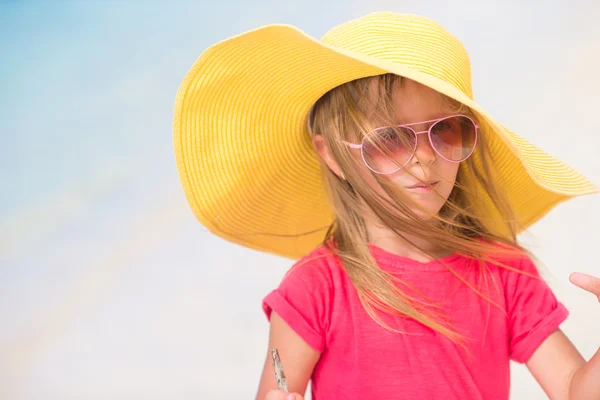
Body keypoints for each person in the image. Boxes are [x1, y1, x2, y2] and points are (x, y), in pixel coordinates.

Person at [172, 12, 600, 400]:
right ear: (333, 155)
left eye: (444, 129)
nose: (424, 157)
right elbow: (278, 389)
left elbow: (573, 390)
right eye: (390, 138)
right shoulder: (316, 288)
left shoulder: (503, 273)